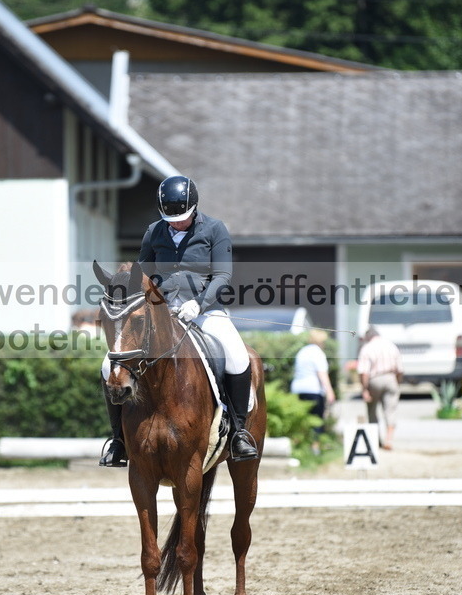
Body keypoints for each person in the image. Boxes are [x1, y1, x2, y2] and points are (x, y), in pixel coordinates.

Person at [99, 175, 259, 466]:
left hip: (205, 309)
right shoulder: (154, 232)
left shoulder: (214, 229)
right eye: (170, 220)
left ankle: (238, 433)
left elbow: (222, 275)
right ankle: (118, 441)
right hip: (161, 312)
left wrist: (199, 303)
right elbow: (141, 275)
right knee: (108, 364)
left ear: (194, 209)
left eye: (182, 219)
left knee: (237, 356)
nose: (176, 224)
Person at [356, 326, 404, 450]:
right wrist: (397, 383)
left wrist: (364, 389)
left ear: (368, 337)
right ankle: (389, 439)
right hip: (390, 377)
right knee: (390, 410)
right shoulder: (391, 346)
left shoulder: (367, 348)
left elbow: (363, 372)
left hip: (374, 379)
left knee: (372, 411)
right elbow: (400, 369)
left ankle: (375, 440)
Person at [290, 329, 336, 455]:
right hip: (313, 390)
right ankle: (315, 449)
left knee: (302, 420)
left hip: (297, 389)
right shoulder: (318, 353)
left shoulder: (302, 351)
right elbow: (322, 374)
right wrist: (330, 391)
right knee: (316, 420)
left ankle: (299, 447)